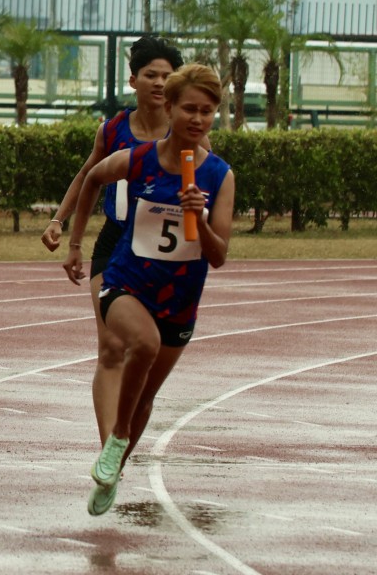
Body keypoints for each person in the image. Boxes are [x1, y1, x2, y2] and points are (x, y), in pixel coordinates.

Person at [62, 63, 234, 515]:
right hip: (126, 283)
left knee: (145, 396)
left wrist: (198, 217)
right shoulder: (139, 159)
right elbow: (92, 178)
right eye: (189, 109)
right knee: (142, 343)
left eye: (208, 111)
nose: (197, 119)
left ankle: (111, 473)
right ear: (171, 107)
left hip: (180, 300)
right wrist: (76, 239)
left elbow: (217, 255)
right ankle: (116, 440)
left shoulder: (218, 176)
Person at [41, 36, 185, 466]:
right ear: (133, 80)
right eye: (151, 75)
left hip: (162, 256)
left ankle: (122, 440)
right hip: (115, 245)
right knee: (110, 347)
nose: (159, 83)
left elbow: (209, 189)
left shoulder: (186, 132)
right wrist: (63, 227)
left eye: (167, 76)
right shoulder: (113, 130)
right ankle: (109, 453)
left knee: (145, 357)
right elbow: (89, 177)